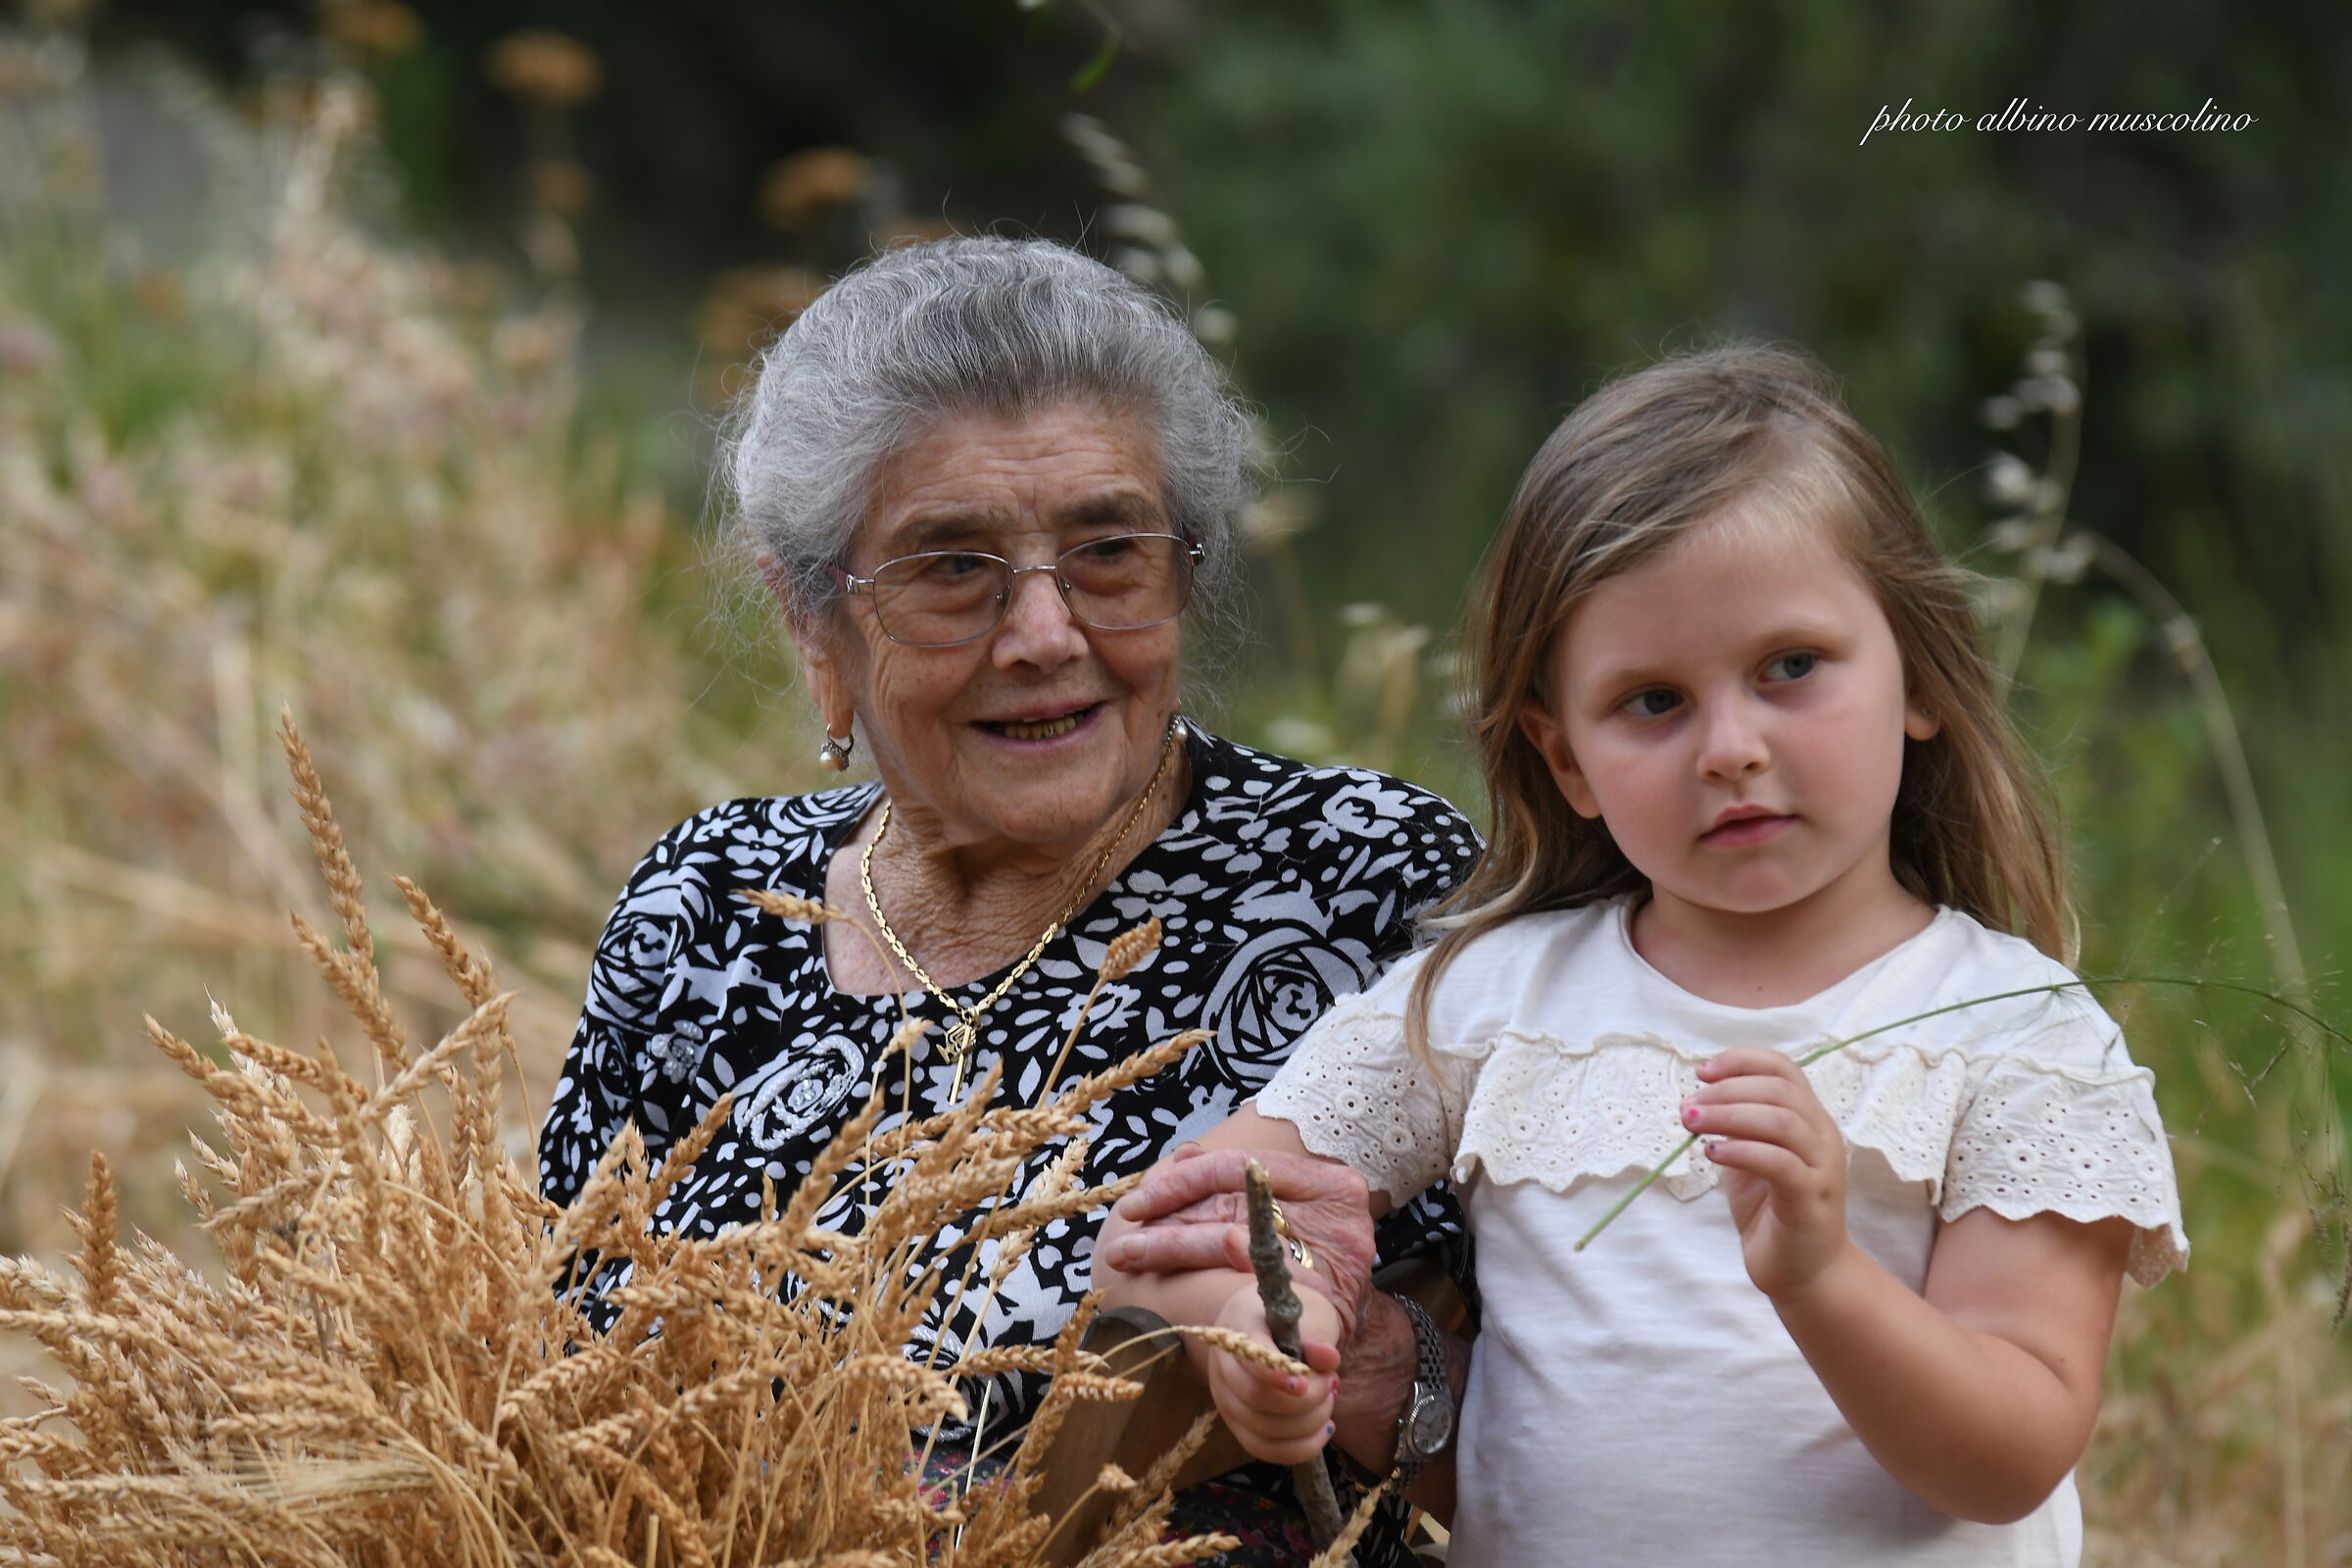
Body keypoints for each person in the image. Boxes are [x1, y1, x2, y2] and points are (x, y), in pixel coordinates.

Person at [1097, 345, 2189, 1565]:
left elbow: (2013, 1452)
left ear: (1919, 676)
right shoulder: (1491, 998)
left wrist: (1822, 1277)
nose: (1730, 747)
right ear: (1565, 756)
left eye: (1791, 668)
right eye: (1653, 702)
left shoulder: (2015, 1029)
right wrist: (1255, 1325)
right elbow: (1172, 1229)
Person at [534, 235, 1479, 1565]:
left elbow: (1610, 1398)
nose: (1044, 633)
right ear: (812, 622)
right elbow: (545, 1388)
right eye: (951, 568)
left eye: (1110, 551)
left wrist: (1369, 1367)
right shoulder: (703, 910)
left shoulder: (1363, 883)